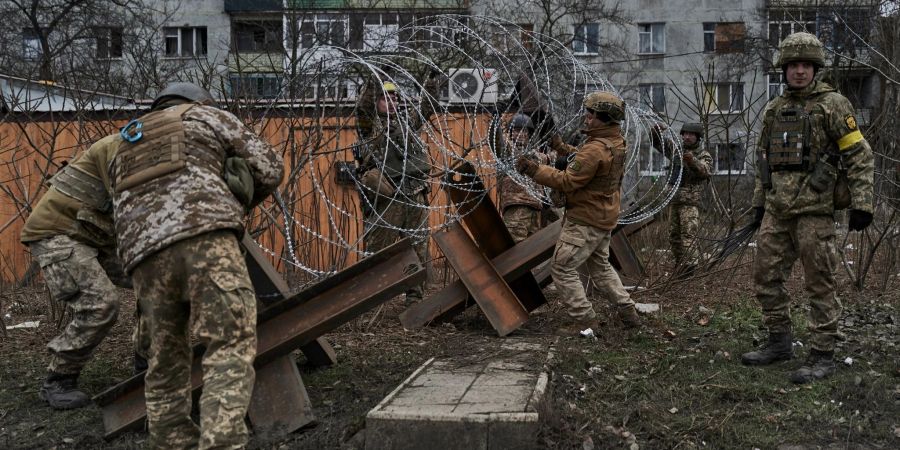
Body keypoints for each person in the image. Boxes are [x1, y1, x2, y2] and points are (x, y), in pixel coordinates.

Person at [110, 82, 283, 448]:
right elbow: (269, 168)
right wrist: (234, 200)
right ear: (199, 101)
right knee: (228, 343)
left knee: (163, 360)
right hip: (205, 237)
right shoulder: (206, 116)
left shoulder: (125, 140)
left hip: (144, 256)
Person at [740, 32, 874, 384]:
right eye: (793, 65)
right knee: (765, 278)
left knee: (820, 283)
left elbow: (859, 156)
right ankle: (779, 343)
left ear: (816, 68)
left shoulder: (834, 105)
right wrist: (758, 205)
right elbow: (763, 161)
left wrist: (862, 203)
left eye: (806, 65)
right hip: (777, 210)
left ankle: (822, 354)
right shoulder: (773, 108)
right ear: (783, 69)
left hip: (815, 211)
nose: (799, 71)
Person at [20, 134, 147, 409]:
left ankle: (147, 364)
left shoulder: (158, 146)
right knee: (100, 304)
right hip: (58, 232)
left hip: (93, 234)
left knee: (157, 284)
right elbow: (132, 198)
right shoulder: (123, 144)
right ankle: (58, 380)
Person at [516, 91, 641, 335]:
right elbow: (584, 160)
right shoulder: (615, 142)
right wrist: (561, 147)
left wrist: (534, 170)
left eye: (591, 115)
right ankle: (628, 312)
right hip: (603, 217)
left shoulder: (595, 149)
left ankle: (584, 320)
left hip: (585, 220)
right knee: (601, 268)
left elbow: (568, 180)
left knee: (562, 267)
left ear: (604, 118)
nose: (586, 118)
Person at [354, 75, 442, 304]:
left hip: (414, 193)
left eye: (394, 97)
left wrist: (431, 81)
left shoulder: (406, 123)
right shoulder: (369, 126)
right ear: (376, 101)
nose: (391, 101)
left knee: (418, 247)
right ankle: (370, 299)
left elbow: (426, 107)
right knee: (377, 248)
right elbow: (363, 108)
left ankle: (415, 297)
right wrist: (373, 81)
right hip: (387, 195)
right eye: (385, 97)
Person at [651, 122, 713, 276]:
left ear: (698, 137)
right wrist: (655, 130)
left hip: (689, 203)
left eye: (691, 134)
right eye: (684, 134)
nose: (687, 137)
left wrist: (692, 160)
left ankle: (689, 269)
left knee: (688, 236)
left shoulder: (703, 155)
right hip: (674, 200)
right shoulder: (676, 150)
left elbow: (705, 172)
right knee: (674, 236)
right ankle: (680, 266)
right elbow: (658, 143)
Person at [498, 113, 554, 242]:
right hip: (517, 206)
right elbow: (497, 140)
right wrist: (497, 122)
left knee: (531, 250)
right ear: (511, 133)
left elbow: (549, 158)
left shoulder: (534, 154)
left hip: (535, 208)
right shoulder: (508, 151)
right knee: (516, 246)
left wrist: (563, 148)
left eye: (525, 131)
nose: (521, 134)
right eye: (517, 130)